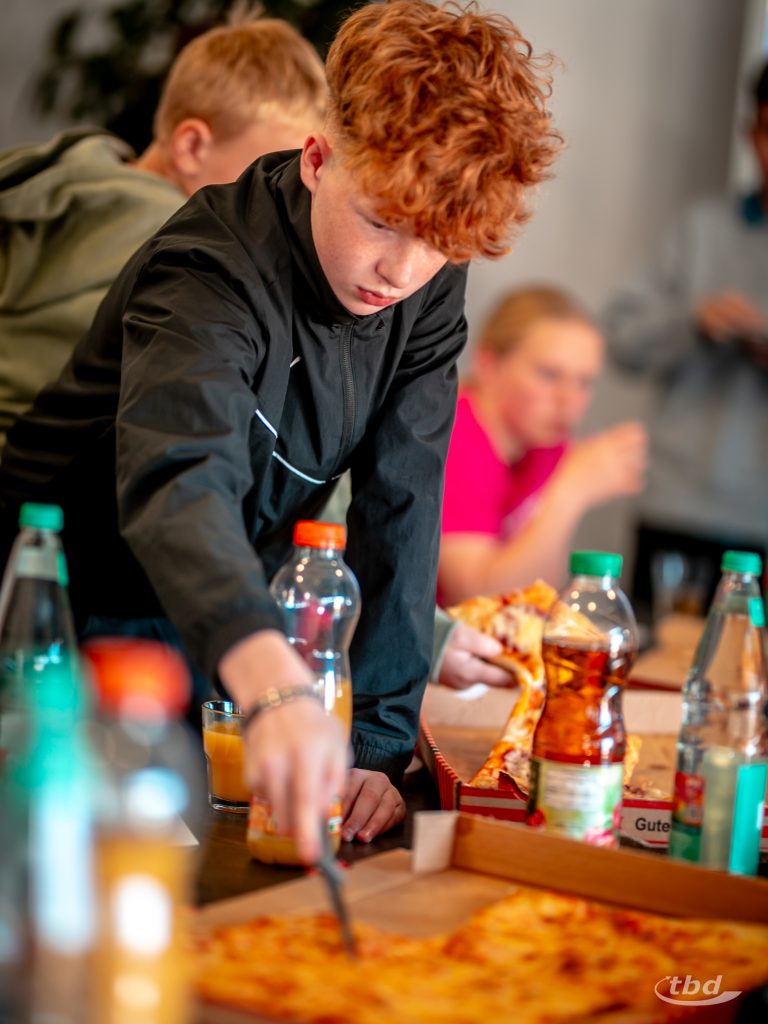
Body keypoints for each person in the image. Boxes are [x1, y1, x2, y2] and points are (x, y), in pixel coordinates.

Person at [0, 0, 561, 861]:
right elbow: (180, 483)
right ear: (317, 156)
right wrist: (273, 685)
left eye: (437, 246)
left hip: (215, 609)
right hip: (61, 601)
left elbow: (404, 497)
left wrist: (377, 739)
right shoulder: (206, 270)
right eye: (380, 222)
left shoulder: (426, 271)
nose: (401, 272)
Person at [0, 17, 327, 448]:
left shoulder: (59, 181)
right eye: (265, 174)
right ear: (191, 147)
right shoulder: (179, 242)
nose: (282, 201)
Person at [604, 61, 768, 617]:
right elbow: (621, 337)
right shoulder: (701, 230)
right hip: (679, 509)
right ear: (752, 134)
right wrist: (693, 324)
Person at [438, 286, 647, 606]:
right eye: (549, 375)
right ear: (489, 365)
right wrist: (569, 493)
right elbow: (475, 597)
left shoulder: (544, 443)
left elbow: (539, 591)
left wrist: (568, 487)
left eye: (584, 382)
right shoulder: (455, 435)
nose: (570, 401)